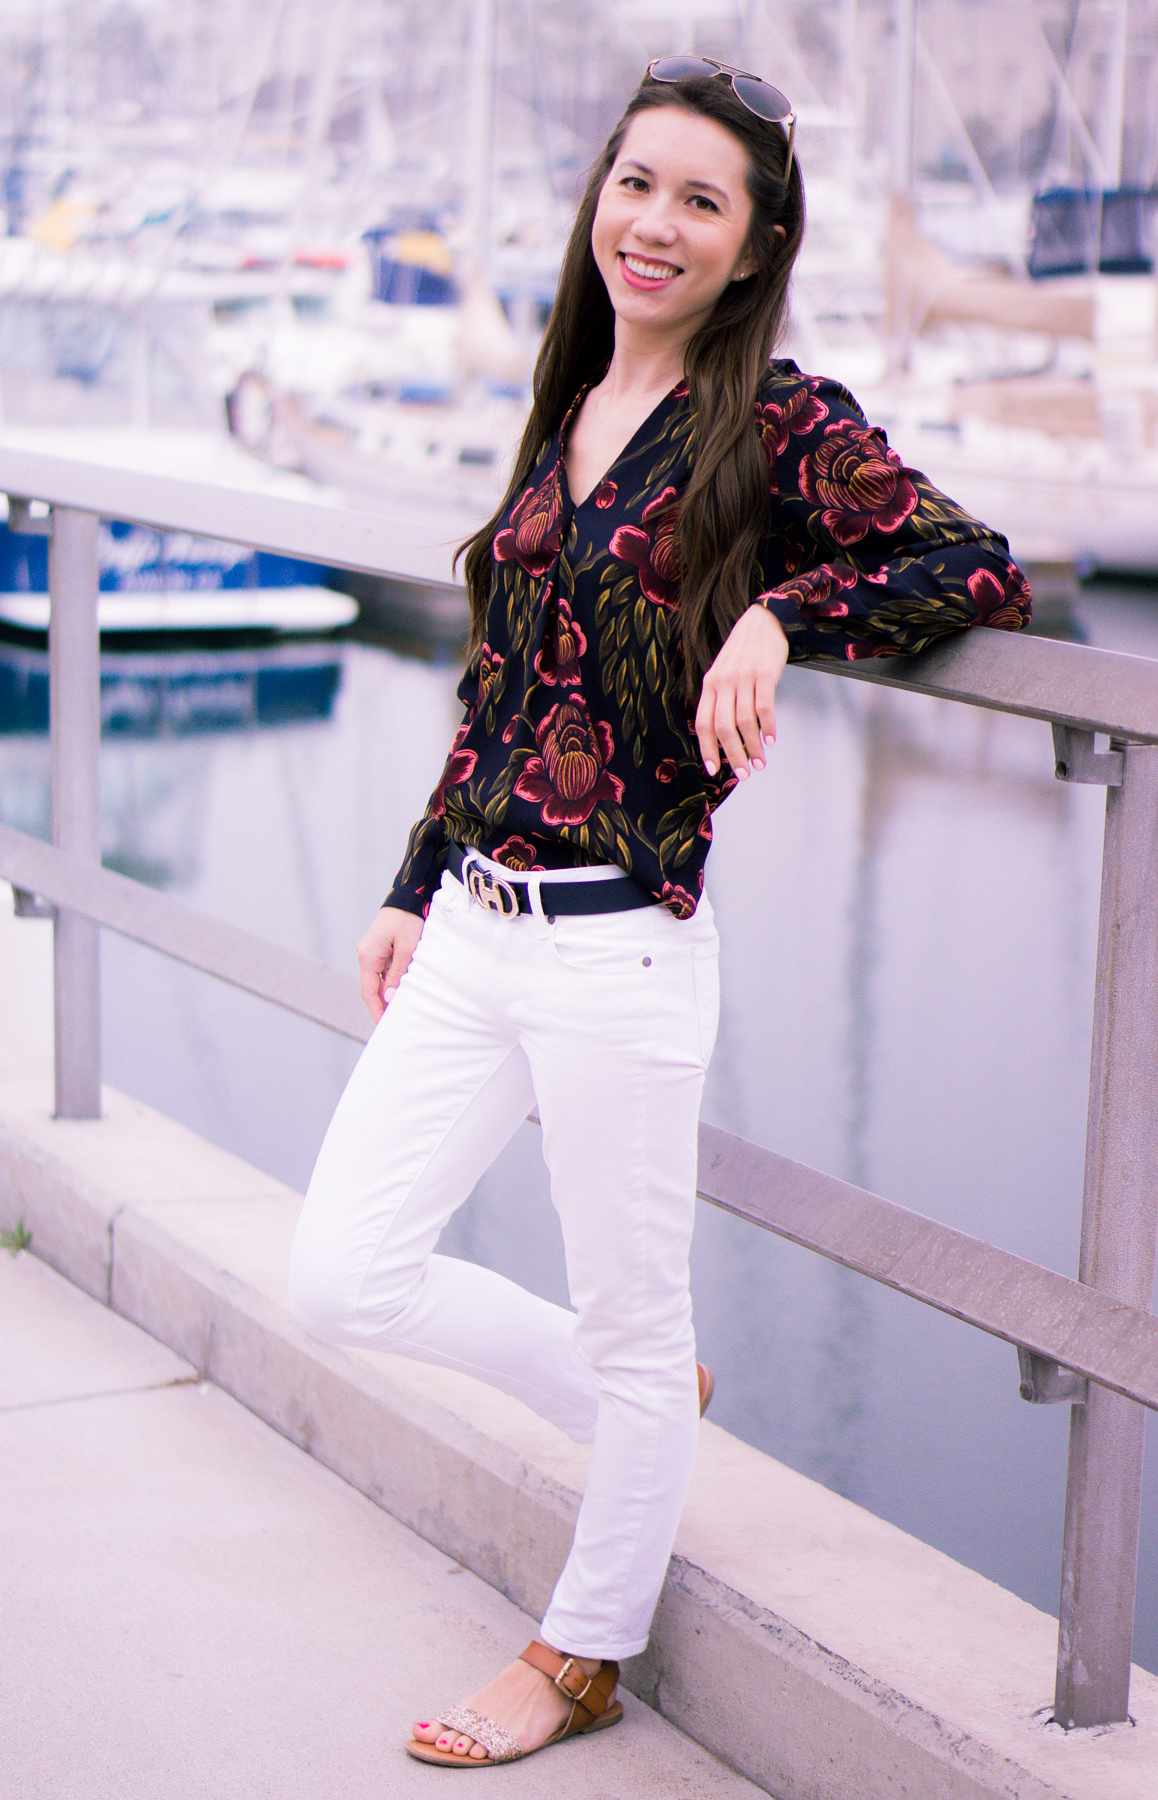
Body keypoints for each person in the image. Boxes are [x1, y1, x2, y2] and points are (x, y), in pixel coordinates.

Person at [288, 56, 1030, 1770]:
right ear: (599, 198)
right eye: (639, 186)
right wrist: (413, 882)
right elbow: (500, 678)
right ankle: (641, 1418)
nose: (656, 224)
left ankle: (580, 1651)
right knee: (343, 1273)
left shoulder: (775, 421)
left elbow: (969, 562)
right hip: (475, 928)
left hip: (621, 943)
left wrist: (778, 615)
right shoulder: (571, 395)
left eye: (702, 201)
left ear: (756, 240)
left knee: (636, 1319)